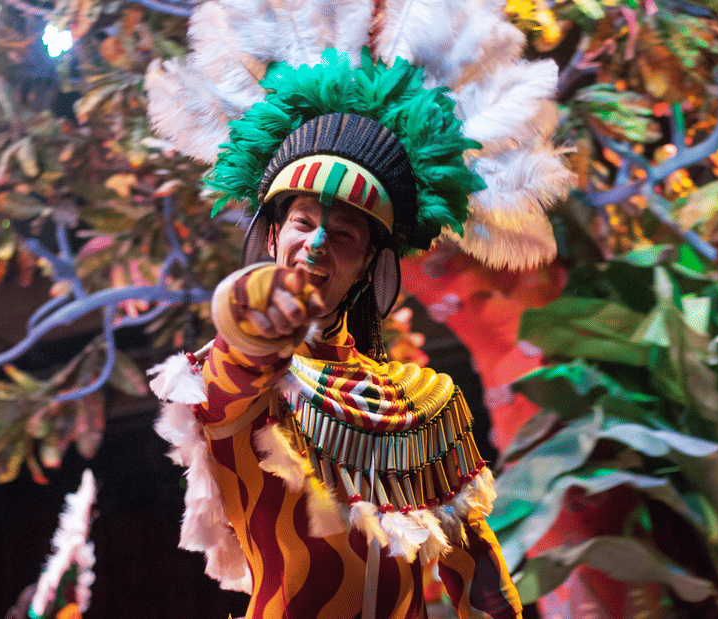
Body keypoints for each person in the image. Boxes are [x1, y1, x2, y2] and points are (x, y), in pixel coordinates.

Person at [150, 50, 523, 619]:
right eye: (302, 223)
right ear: (273, 236)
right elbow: (242, 352)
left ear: (369, 262)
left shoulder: (424, 405)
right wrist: (267, 316)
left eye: (344, 233)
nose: (318, 242)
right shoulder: (229, 375)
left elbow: (479, 574)